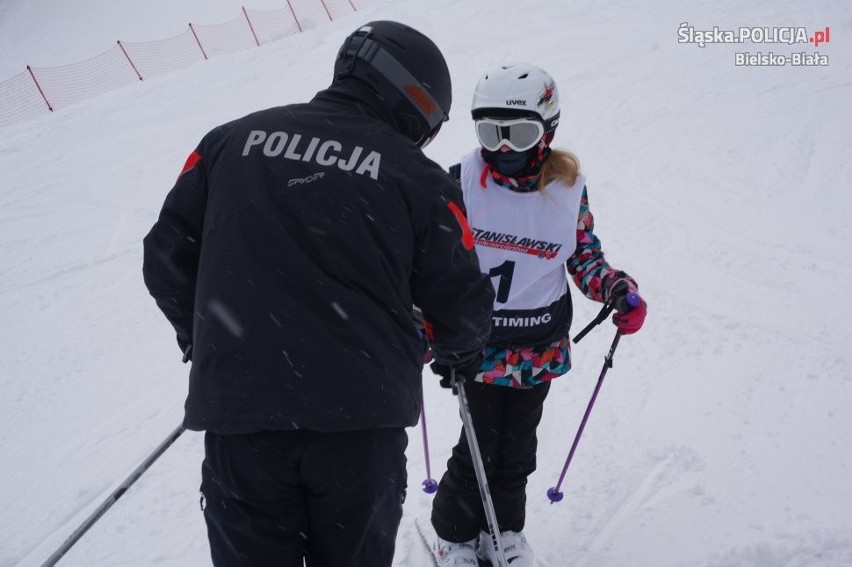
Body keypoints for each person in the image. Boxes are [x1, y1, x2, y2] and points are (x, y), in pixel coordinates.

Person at [142, 21, 494, 567]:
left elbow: (166, 256)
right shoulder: (417, 176)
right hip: (359, 429)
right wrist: (455, 355)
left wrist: (210, 337)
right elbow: (463, 302)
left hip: (244, 424)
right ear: (414, 100)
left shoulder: (228, 142)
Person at [427, 63, 648, 566]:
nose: (504, 147)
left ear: (546, 131)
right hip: (476, 344)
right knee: (477, 447)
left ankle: (503, 533)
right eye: (491, 132)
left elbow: (584, 255)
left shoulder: (567, 189)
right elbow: (433, 257)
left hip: (536, 346)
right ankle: (455, 535)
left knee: (517, 452)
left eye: (519, 133)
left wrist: (615, 288)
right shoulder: (461, 180)